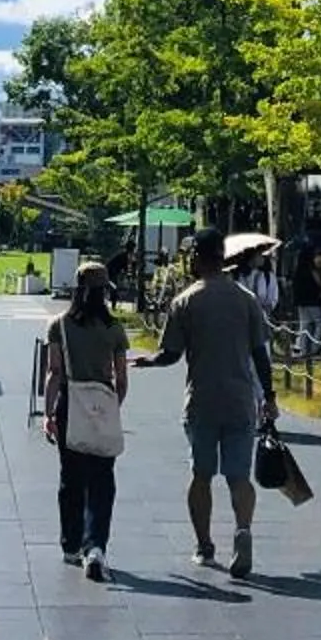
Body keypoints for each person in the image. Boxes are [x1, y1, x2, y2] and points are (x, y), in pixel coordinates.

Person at [137, 227, 278, 577]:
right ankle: (243, 529)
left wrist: (148, 361)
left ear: (197, 258)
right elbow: (261, 354)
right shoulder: (245, 299)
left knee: (201, 474)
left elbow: (171, 354)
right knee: (238, 476)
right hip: (241, 398)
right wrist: (270, 397)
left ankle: (204, 545)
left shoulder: (186, 300)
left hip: (202, 399)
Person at [41, 265, 129, 582]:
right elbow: (121, 378)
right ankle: (96, 546)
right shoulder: (115, 328)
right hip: (102, 403)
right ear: (105, 291)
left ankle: (71, 543)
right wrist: (112, 407)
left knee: (72, 476)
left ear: (77, 289)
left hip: (70, 403)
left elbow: (54, 372)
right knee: (103, 479)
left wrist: (49, 413)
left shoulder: (60, 326)